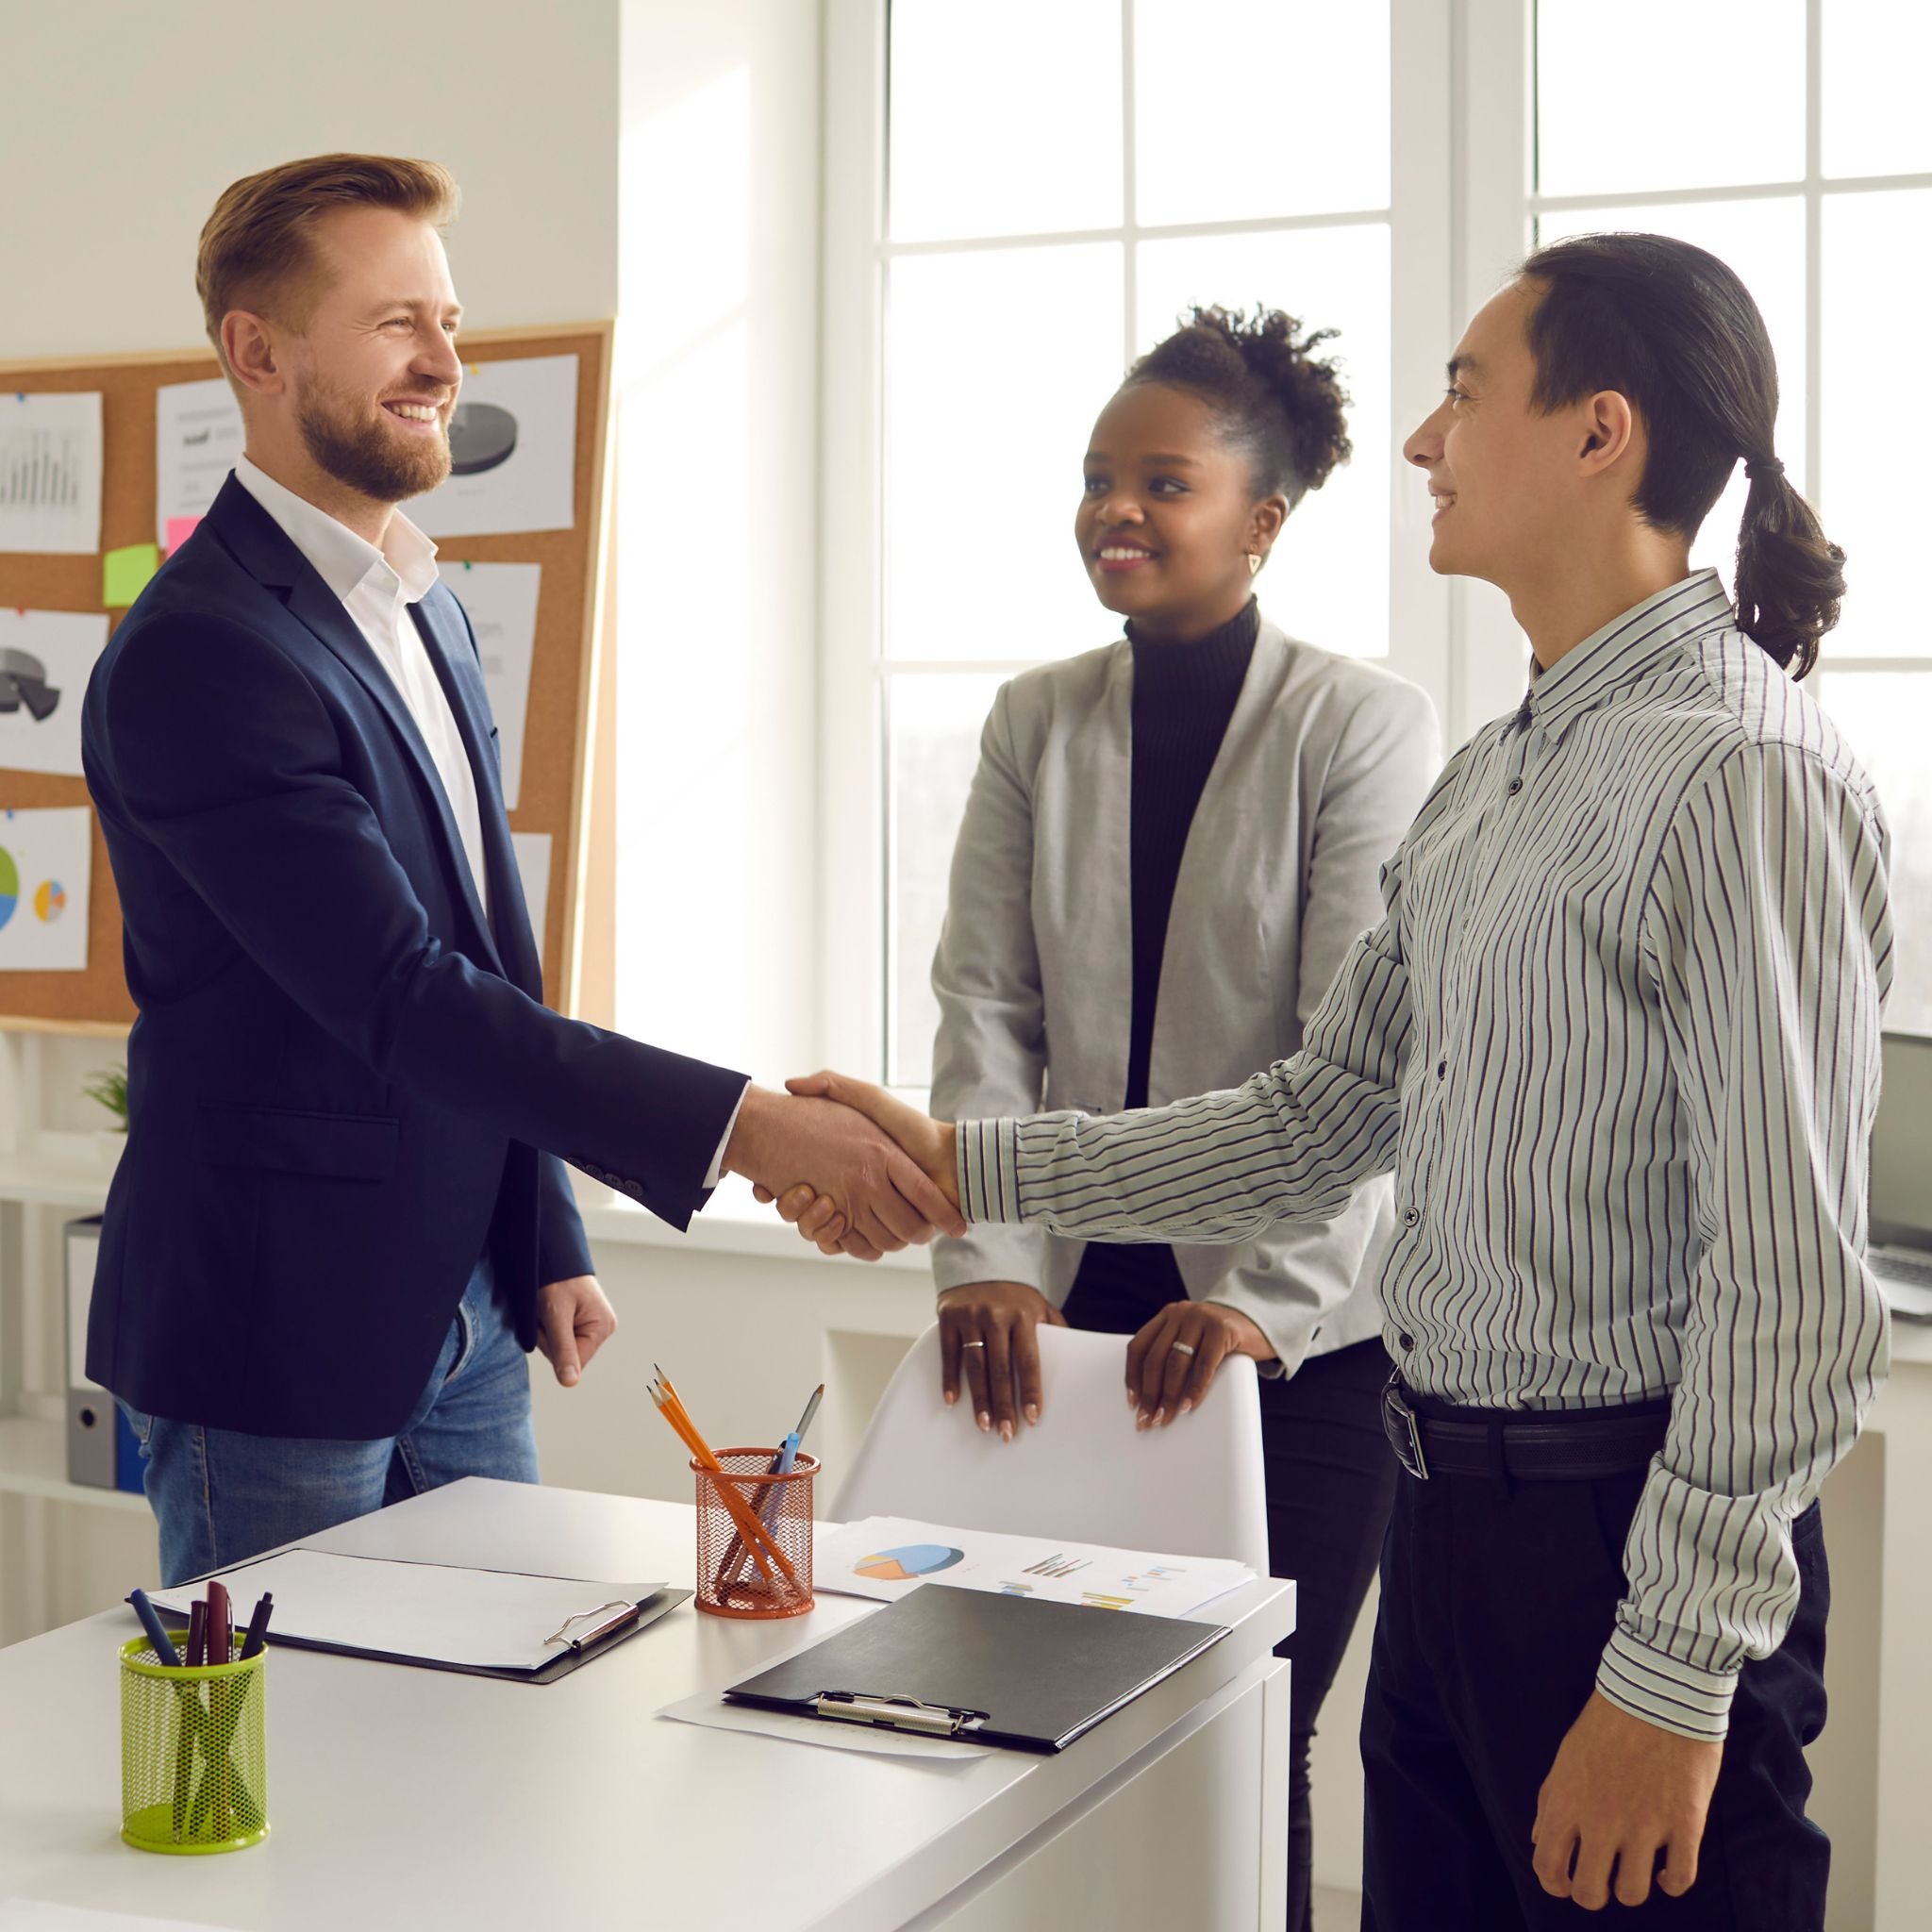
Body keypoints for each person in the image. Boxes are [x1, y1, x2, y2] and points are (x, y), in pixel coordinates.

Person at [779, 233, 1890, 1929]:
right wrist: (966, 1165)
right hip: (1446, 1529)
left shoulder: (1740, 774)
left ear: (1602, 435)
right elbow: (1317, 1117)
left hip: (1616, 1546)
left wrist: (1666, 1684)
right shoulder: (1500, 775)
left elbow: (1796, 1295)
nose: (1428, 444)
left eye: (1464, 391)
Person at [81, 153, 959, 1589]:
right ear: (256, 351)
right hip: (275, 1333)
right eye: (393, 324)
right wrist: (743, 1125)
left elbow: (491, 947)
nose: (444, 361)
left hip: (474, 1308)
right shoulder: (200, 652)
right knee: (304, 1765)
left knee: (491, 1740)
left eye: (449, 318)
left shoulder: (423, 609)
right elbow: (403, 998)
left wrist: (542, 1227)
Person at [924, 305, 1437, 1929]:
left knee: (1242, 1739)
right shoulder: (1035, 718)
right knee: (1028, 1734)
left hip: (1299, 1346)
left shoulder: (1360, 725)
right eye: (1096, 478)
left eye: (1164, 481)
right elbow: (985, 1007)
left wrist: (1252, 1305)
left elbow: (1362, 1065)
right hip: (1066, 1331)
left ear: (1264, 521)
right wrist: (988, 1259)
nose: (1113, 511)